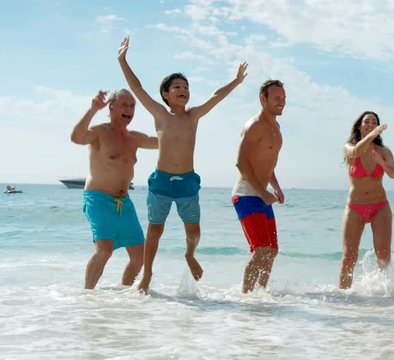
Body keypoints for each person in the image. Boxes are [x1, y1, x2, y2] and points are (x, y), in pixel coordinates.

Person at [117, 36, 248, 294]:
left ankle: (190, 254)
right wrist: (123, 61)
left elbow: (216, 96)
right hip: (162, 182)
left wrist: (236, 81)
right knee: (155, 229)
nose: (183, 90)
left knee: (194, 231)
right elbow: (138, 87)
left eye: (186, 86)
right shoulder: (160, 114)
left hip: (187, 181)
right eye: (177, 87)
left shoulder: (193, 115)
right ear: (166, 94)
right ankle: (147, 274)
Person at [70, 89, 158, 289]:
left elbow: (164, 142)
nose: (129, 110)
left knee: (139, 256)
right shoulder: (99, 132)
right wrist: (92, 110)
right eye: (124, 105)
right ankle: (87, 295)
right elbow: (76, 137)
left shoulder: (135, 137)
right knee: (105, 250)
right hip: (98, 199)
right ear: (111, 107)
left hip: (123, 203)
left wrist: (176, 122)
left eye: (132, 106)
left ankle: (123, 296)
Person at [232, 80, 286, 293]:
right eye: (276, 98)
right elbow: (241, 162)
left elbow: (266, 164)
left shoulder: (276, 128)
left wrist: (276, 188)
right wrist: (263, 192)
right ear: (263, 100)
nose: (281, 102)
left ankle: (260, 296)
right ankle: (245, 296)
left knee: (272, 250)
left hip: (261, 195)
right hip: (246, 194)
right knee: (261, 248)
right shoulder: (254, 126)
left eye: (283, 98)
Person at [339, 111, 394, 289]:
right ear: (359, 125)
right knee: (349, 257)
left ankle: (383, 293)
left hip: (380, 206)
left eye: (374, 122)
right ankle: (342, 298)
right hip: (355, 207)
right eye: (367, 122)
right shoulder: (349, 147)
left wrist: (381, 162)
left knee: (383, 254)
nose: (370, 124)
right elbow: (357, 151)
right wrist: (372, 135)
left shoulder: (384, 151)